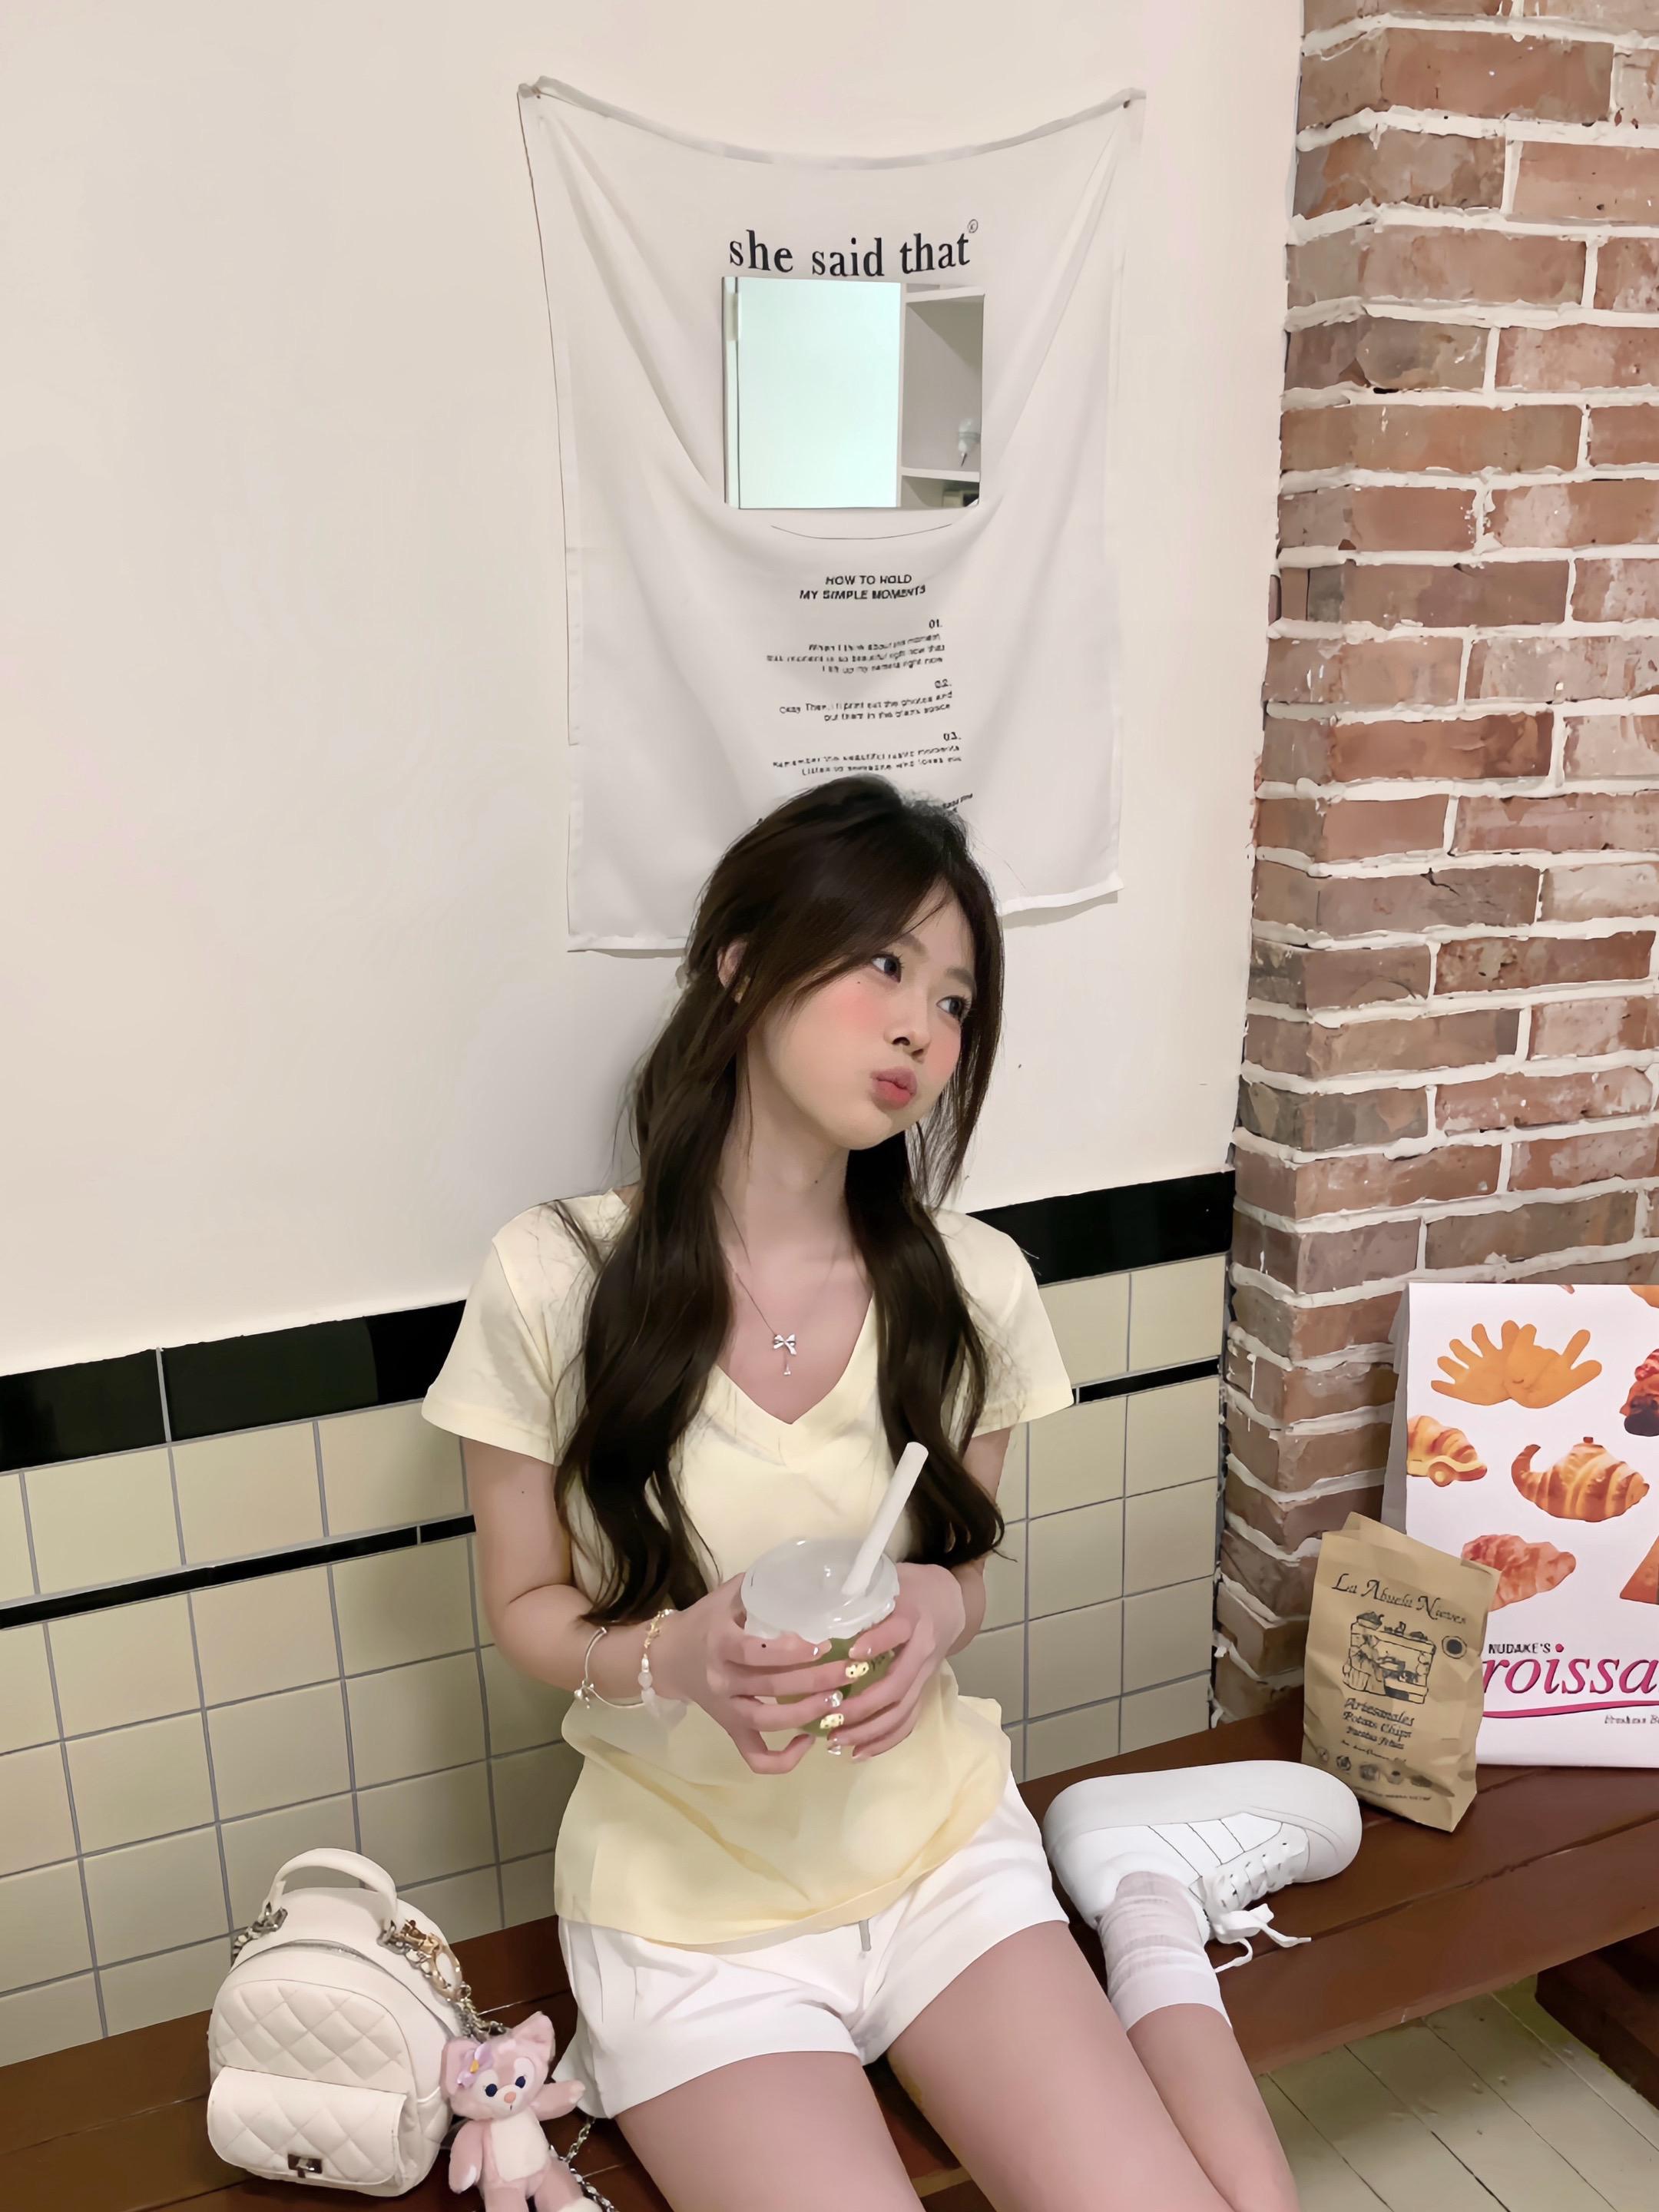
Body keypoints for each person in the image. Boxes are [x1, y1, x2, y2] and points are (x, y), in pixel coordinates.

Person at [423, 776, 1325, 2211]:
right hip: (690, 1916)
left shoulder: (973, 1285)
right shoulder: (552, 1279)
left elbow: (961, 1573)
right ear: (741, 964)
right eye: (884, 966)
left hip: (943, 1858)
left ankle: (1144, 1907)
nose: (923, 1028)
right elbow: (528, 1607)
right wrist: (673, 1658)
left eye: (957, 1000)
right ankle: (1146, 1896)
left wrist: (935, 1615)